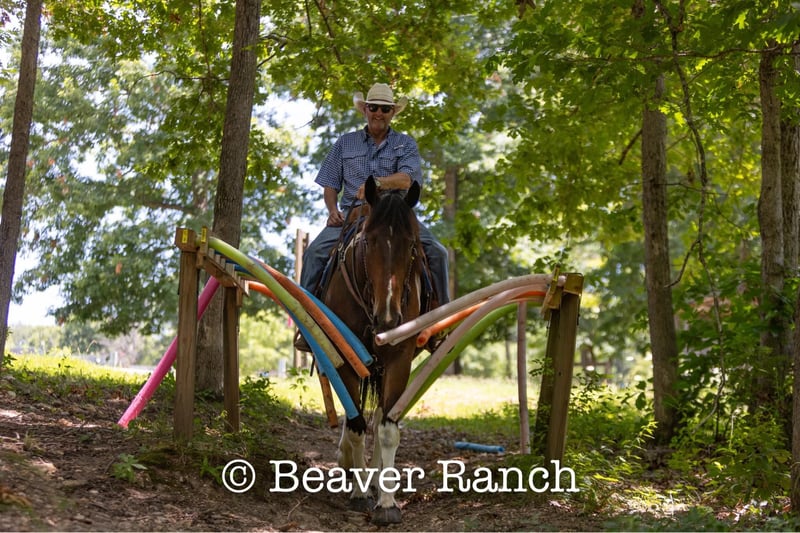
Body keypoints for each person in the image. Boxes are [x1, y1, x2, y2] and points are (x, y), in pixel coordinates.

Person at [296, 83, 450, 351]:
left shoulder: (405, 143)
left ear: (392, 113)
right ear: (365, 110)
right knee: (313, 254)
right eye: (374, 107)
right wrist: (332, 211)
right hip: (353, 215)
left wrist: (377, 183)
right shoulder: (345, 143)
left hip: (395, 217)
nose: (379, 113)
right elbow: (330, 184)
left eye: (385, 109)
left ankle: (439, 324)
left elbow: (407, 179)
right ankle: (308, 325)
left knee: (438, 253)